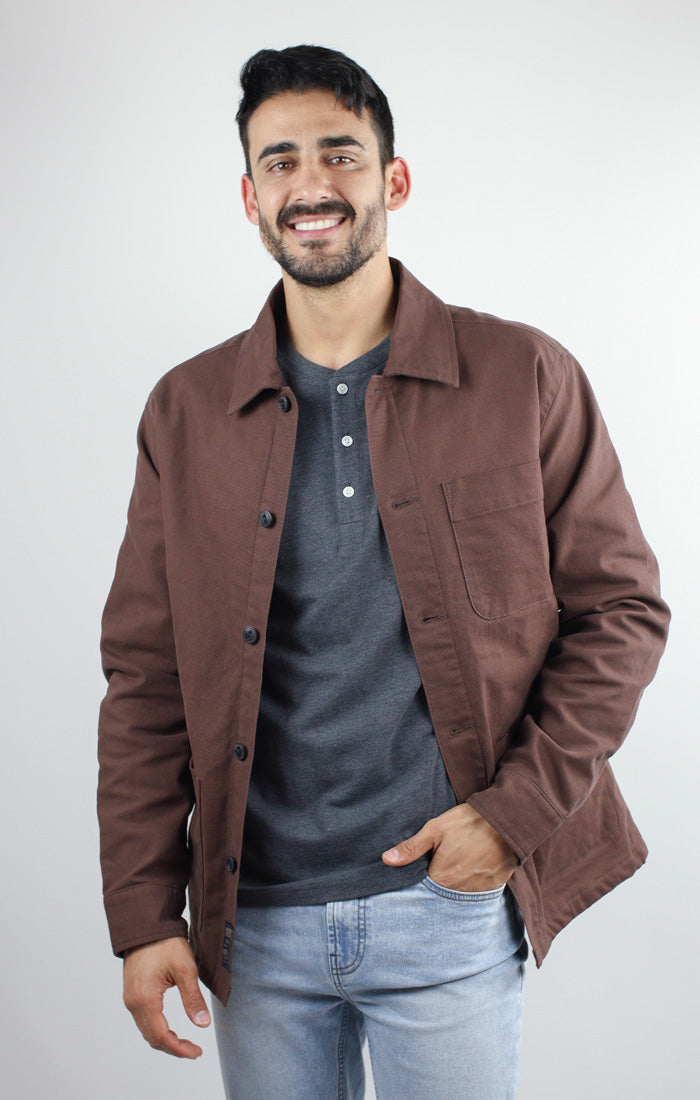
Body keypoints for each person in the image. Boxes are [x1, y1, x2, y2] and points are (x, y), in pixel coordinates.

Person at [97, 44, 671, 1100]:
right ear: (250, 197)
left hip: (447, 904)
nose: (310, 184)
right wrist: (143, 912)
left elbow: (622, 610)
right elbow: (145, 677)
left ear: (393, 180)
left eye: (340, 154)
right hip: (254, 924)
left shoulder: (521, 375)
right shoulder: (185, 413)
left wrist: (510, 817)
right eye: (279, 162)